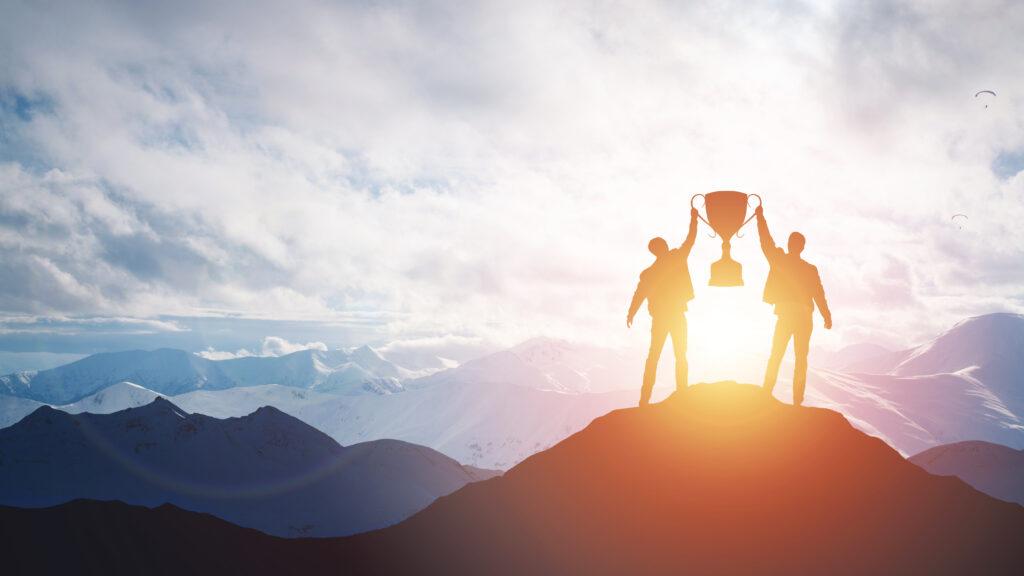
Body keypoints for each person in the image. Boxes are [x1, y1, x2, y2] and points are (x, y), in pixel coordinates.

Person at [754, 206, 832, 406]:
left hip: (788, 314)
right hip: (804, 316)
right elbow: (819, 294)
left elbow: (766, 241)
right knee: (800, 358)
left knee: (777, 353)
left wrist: (760, 218)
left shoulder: (780, 260)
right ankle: (797, 400)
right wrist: (826, 315)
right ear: (802, 247)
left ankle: (766, 392)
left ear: (791, 245)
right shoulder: (809, 269)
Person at [627, 208, 699, 407]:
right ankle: (682, 392)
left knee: (654, 356)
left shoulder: (649, 273)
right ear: (662, 247)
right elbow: (690, 239)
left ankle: (644, 399)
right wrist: (694, 219)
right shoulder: (677, 257)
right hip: (676, 315)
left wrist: (631, 312)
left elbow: (639, 294)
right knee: (679, 354)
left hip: (661, 317)